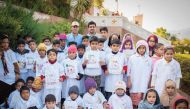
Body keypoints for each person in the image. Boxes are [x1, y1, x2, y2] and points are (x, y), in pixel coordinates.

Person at [127, 40, 152, 107]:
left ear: (146, 48)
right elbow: (128, 71)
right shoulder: (132, 58)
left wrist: (149, 82)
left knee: (142, 101)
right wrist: (129, 81)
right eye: (140, 48)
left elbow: (150, 72)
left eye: (143, 48)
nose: (141, 50)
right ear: (137, 48)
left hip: (144, 83)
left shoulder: (149, 59)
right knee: (134, 102)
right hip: (134, 82)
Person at [0, 35, 20, 107]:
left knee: (10, 96)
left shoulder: (11, 52)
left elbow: (15, 64)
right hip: (1, 78)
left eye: (7, 42)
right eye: (3, 42)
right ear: (1, 43)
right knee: (1, 96)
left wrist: (17, 73)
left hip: (11, 78)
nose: (5, 44)